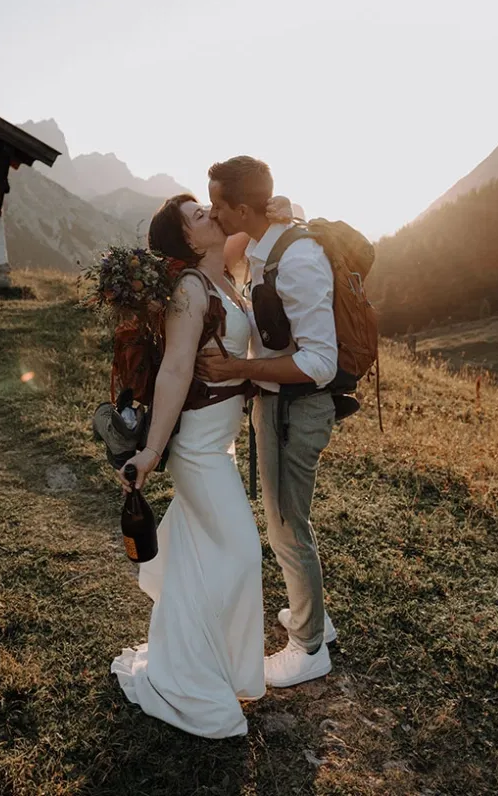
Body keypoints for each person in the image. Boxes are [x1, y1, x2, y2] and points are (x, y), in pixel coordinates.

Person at [110, 194, 265, 738]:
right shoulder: (190, 289)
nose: (210, 215)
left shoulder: (222, 275)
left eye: (208, 207)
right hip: (198, 452)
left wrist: (277, 211)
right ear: (188, 241)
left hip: (221, 447)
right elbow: (175, 371)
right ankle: (185, 678)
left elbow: (257, 221)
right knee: (243, 554)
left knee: (204, 559)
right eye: (198, 216)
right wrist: (151, 453)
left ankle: (197, 663)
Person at [197, 156, 338, 689]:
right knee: (285, 522)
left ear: (240, 207)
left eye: (218, 204)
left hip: (296, 409)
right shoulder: (265, 240)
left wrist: (241, 368)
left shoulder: (296, 258)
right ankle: (313, 616)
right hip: (277, 405)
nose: (213, 212)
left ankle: (309, 647)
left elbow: (321, 361)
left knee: (286, 526)